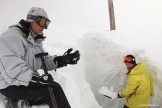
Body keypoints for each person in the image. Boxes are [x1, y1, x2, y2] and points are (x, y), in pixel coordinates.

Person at [0, 7, 80, 108]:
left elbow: (43, 61)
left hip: (24, 81)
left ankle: (27, 101)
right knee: (53, 91)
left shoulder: (34, 40)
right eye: (41, 21)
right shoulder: (12, 37)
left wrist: (61, 60)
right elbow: (13, 70)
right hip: (10, 85)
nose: (44, 27)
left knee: (52, 88)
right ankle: (20, 102)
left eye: (46, 23)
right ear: (30, 20)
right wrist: (37, 80)